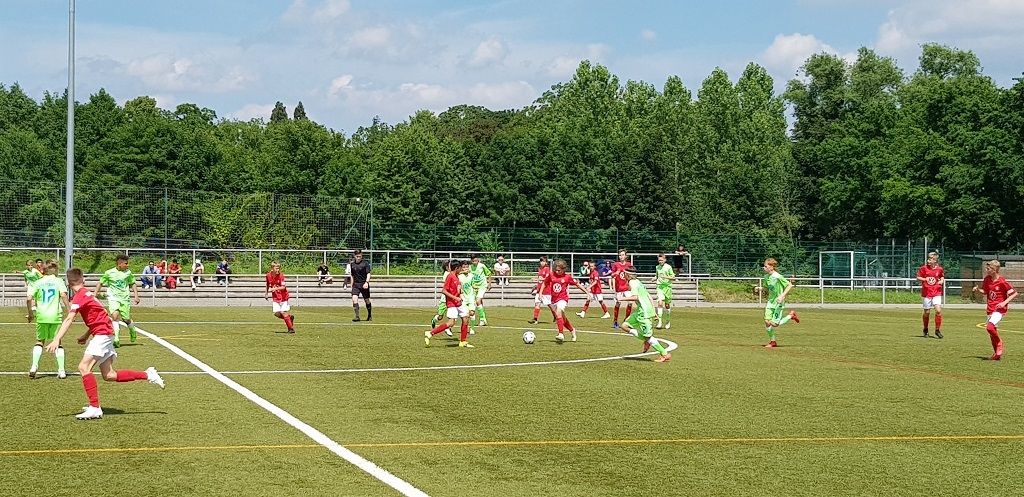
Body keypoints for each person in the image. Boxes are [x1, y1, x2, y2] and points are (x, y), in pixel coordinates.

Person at [45, 267, 165, 420]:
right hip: (105, 333)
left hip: (103, 334)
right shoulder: (87, 294)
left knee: (83, 367)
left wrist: (56, 339)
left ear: (68, 283)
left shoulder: (80, 297)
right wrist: (87, 334)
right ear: (83, 280)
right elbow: (100, 316)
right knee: (109, 375)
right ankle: (148, 374)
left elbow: (69, 318)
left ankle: (95, 407)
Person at [27, 260, 71, 379]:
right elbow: (63, 295)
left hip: (41, 316)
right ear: (55, 270)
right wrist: (69, 311)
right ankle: (61, 370)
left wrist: (30, 313)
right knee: (58, 342)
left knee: (40, 341)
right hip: (55, 316)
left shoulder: (38, 282)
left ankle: (34, 366)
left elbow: (29, 298)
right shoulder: (58, 281)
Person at [618, 271, 672, 362]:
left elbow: (636, 297)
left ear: (628, 274)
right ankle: (647, 340)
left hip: (645, 312)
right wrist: (654, 311)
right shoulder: (638, 282)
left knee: (648, 337)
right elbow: (649, 296)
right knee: (624, 326)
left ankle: (664, 353)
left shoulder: (632, 283)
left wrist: (622, 298)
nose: (623, 275)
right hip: (640, 311)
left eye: (624, 273)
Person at [972, 259, 1018, 361]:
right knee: (992, 333)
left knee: (990, 327)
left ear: (994, 270)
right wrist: (978, 290)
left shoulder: (1002, 281)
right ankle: (996, 354)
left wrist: (1004, 303)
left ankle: (1000, 343)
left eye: (988, 268)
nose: (986, 270)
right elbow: (985, 291)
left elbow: (1014, 293)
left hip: (999, 310)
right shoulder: (987, 279)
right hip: (990, 309)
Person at [538, 259, 591, 342]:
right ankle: (572, 330)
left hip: (563, 299)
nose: (557, 271)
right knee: (562, 319)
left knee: (558, 313)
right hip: (554, 300)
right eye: (556, 270)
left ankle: (561, 334)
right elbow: (545, 283)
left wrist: (587, 293)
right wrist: (540, 293)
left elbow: (577, 284)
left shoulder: (567, 277)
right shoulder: (551, 275)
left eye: (559, 270)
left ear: (563, 269)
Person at [95, 254, 140, 348]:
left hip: (124, 299)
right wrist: (95, 294)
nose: (127, 265)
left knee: (126, 319)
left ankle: (132, 329)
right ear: (119, 264)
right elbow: (101, 283)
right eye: (126, 263)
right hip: (113, 298)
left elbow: (133, 283)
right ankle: (116, 339)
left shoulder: (128, 273)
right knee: (114, 316)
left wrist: (136, 296)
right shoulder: (109, 273)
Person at [425, 259, 473, 348]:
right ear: (457, 268)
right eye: (461, 268)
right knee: (451, 323)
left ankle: (463, 341)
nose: (462, 269)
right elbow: (444, 291)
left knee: (465, 319)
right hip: (452, 304)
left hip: (458, 303)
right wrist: (455, 297)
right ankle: (431, 333)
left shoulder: (456, 276)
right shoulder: (450, 277)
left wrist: (460, 292)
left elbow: (456, 287)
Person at [754, 258, 800, 348]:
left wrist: (782, 296)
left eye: (765, 266)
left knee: (774, 324)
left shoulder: (778, 276)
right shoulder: (766, 277)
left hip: (778, 302)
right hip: (770, 302)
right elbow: (767, 288)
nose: (764, 268)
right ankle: (773, 341)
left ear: (771, 267)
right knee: (767, 322)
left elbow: (789, 285)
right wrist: (760, 288)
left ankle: (791, 315)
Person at [917, 251, 945, 339]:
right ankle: (925, 329)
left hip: (936, 292)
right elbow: (918, 277)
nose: (928, 261)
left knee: (938, 311)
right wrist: (925, 279)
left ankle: (937, 330)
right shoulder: (924, 268)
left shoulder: (939, 269)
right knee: (927, 312)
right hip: (926, 293)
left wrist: (941, 280)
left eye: (930, 259)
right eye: (928, 259)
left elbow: (941, 276)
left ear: (935, 260)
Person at [264, 261, 295, 333]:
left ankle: (291, 329)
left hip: (283, 297)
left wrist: (275, 289)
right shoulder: (268, 275)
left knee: (283, 312)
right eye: (276, 268)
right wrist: (266, 293)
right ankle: (289, 318)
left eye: (279, 268)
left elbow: (283, 287)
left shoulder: (281, 276)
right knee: (277, 314)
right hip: (276, 297)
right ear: (272, 268)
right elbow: (267, 284)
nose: (278, 270)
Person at [527, 257, 555, 324]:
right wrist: (536, 285)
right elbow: (540, 279)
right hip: (539, 290)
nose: (542, 263)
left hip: (546, 290)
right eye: (541, 261)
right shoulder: (540, 269)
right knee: (537, 303)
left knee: (549, 304)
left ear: (546, 262)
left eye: (543, 261)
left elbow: (548, 279)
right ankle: (535, 319)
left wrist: (538, 279)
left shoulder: (547, 269)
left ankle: (556, 316)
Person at [611, 249, 634, 329]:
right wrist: (615, 273)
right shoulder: (616, 264)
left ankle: (626, 320)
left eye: (623, 255)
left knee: (630, 302)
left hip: (627, 287)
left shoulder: (628, 264)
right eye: (620, 255)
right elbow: (612, 275)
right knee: (618, 303)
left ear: (626, 256)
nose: (621, 256)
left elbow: (631, 274)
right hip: (619, 288)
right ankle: (615, 321)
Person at [653, 253, 676, 329]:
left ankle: (668, 320)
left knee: (667, 305)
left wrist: (665, 277)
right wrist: (654, 278)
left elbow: (673, 278)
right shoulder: (657, 267)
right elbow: (657, 275)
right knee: (660, 303)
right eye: (659, 260)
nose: (660, 262)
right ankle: (659, 322)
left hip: (667, 287)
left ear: (665, 260)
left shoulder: (668, 267)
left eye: (661, 260)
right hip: (660, 287)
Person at [349, 249, 372, 322]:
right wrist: (351, 285)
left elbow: (368, 273)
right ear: (355, 256)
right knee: (354, 299)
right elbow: (352, 275)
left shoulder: (365, 263)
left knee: (367, 300)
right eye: (357, 256)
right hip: (356, 284)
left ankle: (369, 315)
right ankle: (357, 316)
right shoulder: (352, 264)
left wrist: (366, 282)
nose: (359, 258)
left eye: (360, 256)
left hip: (363, 284)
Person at [470, 255, 492, 327]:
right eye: (473, 261)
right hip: (474, 287)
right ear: (471, 261)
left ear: (478, 260)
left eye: (476, 261)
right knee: (479, 302)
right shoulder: (470, 267)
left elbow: (489, 273)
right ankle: (484, 319)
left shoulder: (482, 266)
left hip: (482, 286)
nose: (475, 262)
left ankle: (482, 319)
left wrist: (489, 283)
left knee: (478, 301)